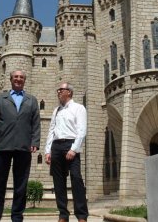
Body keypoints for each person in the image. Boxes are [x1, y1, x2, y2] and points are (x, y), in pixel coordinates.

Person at [0, 70, 41, 222]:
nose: (18, 79)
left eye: (21, 77)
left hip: (24, 147)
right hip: (3, 146)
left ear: (25, 80)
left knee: (21, 184)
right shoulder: (0, 99)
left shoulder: (31, 100)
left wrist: (35, 142)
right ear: (11, 79)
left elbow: (36, 123)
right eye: (16, 77)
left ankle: (17, 216)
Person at [45, 82, 89, 222]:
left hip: (71, 145)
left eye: (61, 89)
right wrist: (47, 151)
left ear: (69, 92)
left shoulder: (79, 108)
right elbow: (51, 131)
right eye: (58, 90)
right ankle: (63, 214)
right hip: (56, 147)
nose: (58, 92)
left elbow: (81, 130)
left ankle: (81, 215)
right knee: (58, 182)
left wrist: (74, 149)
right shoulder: (56, 110)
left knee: (76, 179)